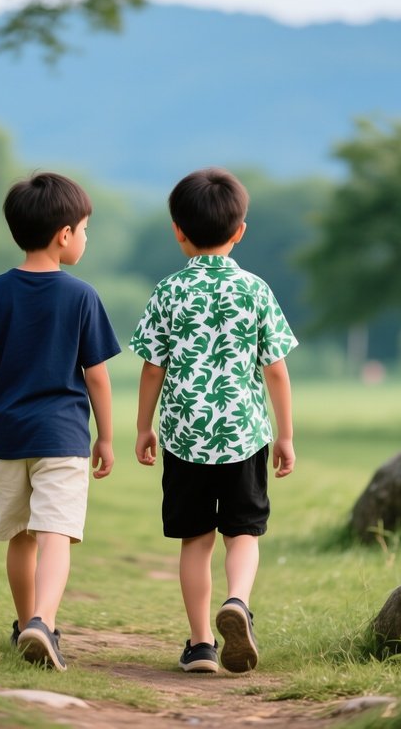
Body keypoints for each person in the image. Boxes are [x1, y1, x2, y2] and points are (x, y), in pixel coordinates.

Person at [0, 172, 120, 672]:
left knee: (21, 535)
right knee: (55, 534)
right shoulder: (81, 296)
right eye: (85, 228)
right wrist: (106, 436)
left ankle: (26, 625)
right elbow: (98, 379)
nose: (86, 237)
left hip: (6, 437)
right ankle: (44, 622)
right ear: (65, 234)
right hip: (62, 438)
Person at [130, 167, 297, 675]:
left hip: (186, 438)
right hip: (245, 434)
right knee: (243, 533)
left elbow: (152, 368)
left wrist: (144, 426)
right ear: (240, 230)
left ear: (177, 230)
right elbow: (276, 371)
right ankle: (239, 603)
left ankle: (201, 643)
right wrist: (285, 434)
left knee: (195, 540)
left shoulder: (169, 291)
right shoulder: (255, 290)